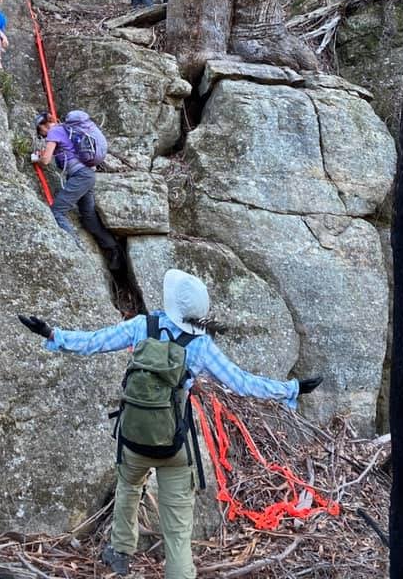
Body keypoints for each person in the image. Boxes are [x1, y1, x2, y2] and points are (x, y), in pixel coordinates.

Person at [19, 269, 323, 579]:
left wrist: (51, 334)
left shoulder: (143, 326)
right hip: (174, 444)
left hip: (133, 437)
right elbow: (242, 383)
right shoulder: (202, 347)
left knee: (128, 485)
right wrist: (291, 389)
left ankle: (120, 551)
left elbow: (95, 341)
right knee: (177, 528)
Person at [32, 111, 121, 267]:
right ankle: (114, 250)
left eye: (41, 133)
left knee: (57, 211)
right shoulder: (66, 129)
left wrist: (36, 158)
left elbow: (45, 160)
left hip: (80, 176)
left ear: (44, 126)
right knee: (88, 217)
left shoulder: (54, 131)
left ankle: (75, 247)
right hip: (87, 176)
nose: (44, 137)